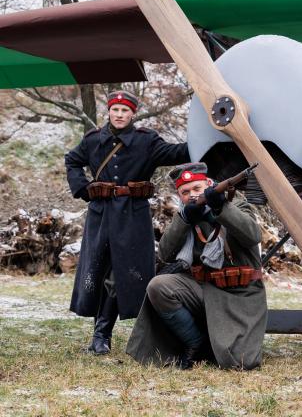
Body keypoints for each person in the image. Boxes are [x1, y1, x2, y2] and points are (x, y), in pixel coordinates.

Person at [65, 90, 189, 355]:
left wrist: (209, 139)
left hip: (133, 216)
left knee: (120, 271)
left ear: (133, 113)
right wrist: (84, 189)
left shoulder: (147, 141)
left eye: (125, 110)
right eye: (115, 110)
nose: (119, 115)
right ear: (108, 111)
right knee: (100, 270)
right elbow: (72, 160)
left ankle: (102, 335)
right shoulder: (93, 140)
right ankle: (100, 335)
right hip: (101, 215)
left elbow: (178, 152)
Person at [126, 162, 266, 370]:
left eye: (197, 189)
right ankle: (194, 343)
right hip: (204, 290)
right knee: (159, 286)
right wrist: (183, 220)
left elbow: (253, 235)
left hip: (239, 294)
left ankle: (215, 346)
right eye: (185, 192)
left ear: (208, 185)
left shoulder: (235, 203)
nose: (191, 195)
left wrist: (221, 209)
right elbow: (165, 254)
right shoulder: (185, 214)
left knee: (238, 362)